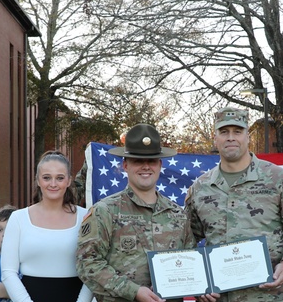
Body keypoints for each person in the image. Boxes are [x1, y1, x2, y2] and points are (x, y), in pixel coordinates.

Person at [184, 107, 283, 302]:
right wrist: (197, 281)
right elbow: (186, 240)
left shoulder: (280, 181)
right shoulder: (200, 188)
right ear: (215, 138)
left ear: (248, 136)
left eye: (237, 131)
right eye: (224, 132)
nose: (230, 138)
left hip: (270, 295)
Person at [76, 123, 196, 302]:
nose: (146, 166)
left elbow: (191, 261)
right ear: (125, 165)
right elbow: (87, 263)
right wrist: (133, 291)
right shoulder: (105, 211)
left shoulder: (178, 215)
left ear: (160, 165)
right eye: (138, 160)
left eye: (152, 160)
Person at [0, 151, 92, 302]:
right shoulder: (18, 219)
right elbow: (8, 272)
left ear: (69, 181)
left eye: (60, 178)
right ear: (37, 180)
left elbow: (94, 268)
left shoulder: (86, 217)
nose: (53, 184)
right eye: (47, 177)